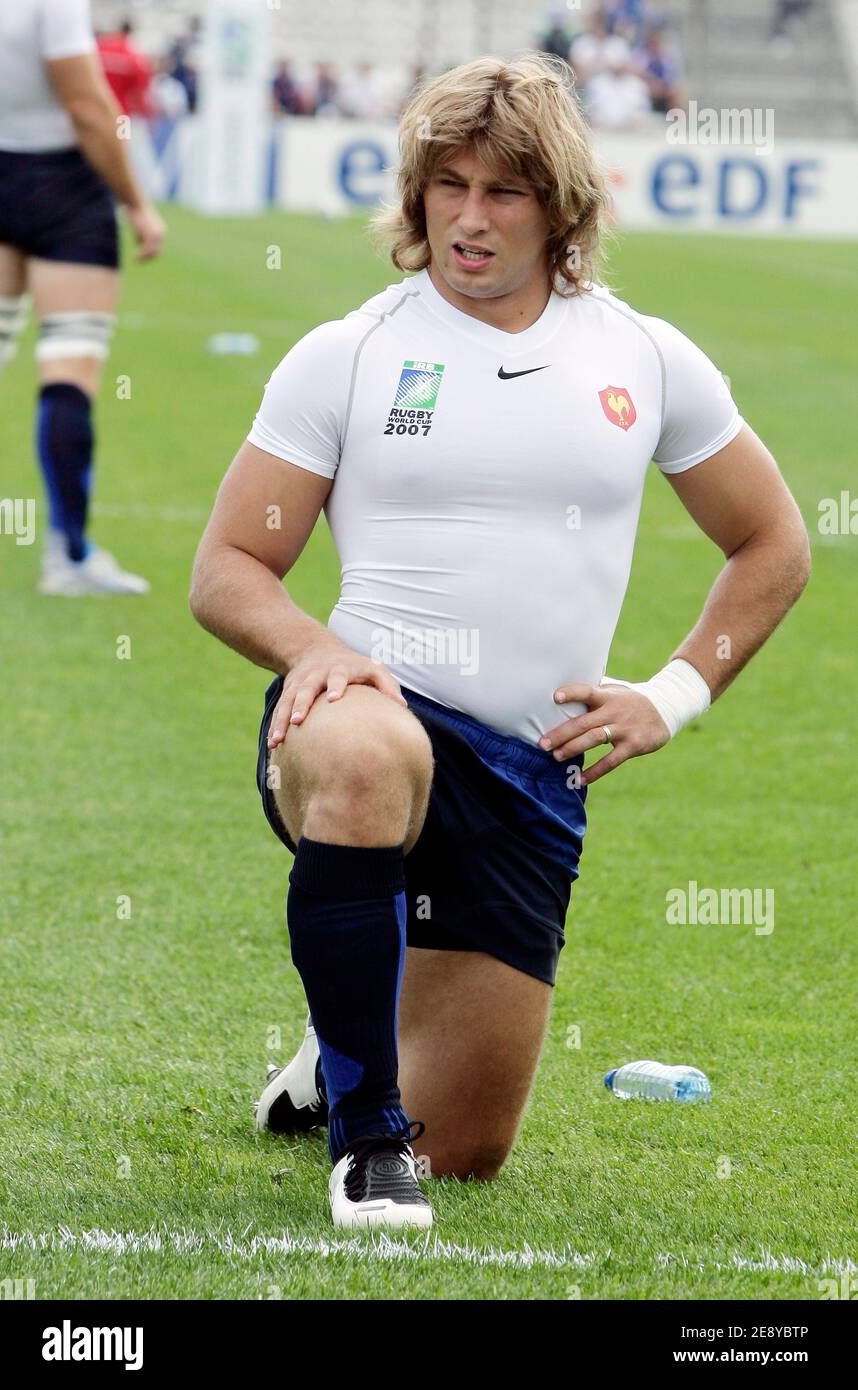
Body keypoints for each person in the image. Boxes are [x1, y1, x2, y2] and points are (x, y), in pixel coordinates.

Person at [190, 53, 810, 1229]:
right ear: (417, 196)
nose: (469, 219)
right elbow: (226, 566)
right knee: (373, 756)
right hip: (363, 715)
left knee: (467, 1147)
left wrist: (671, 695)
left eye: (503, 192)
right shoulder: (352, 352)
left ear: (561, 207)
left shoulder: (643, 355)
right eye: (447, 187)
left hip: (530, 769)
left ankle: (332, 1059)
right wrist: (307, 648)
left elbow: (771, 540)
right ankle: (365, 1139)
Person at [0, 0, 165, 595]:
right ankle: (68, 557)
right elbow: (88, 108)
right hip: (62, 187)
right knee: (69, 365)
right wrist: (137, 203)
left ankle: (69, 557)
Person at [97, 18, 154, 119]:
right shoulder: (134, 56)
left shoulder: (100, 48)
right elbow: (140, 91)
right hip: (121, 114)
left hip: (97, 111)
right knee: (123, 134)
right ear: (130, 32)